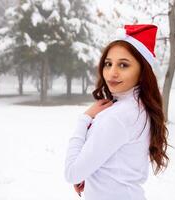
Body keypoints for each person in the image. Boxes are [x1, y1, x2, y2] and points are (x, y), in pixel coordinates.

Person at [64, 24, 169, 200]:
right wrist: (91, 176)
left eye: (123, 65)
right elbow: (118, 162)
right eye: (108, 64)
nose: (112, 73)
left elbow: (72, 172)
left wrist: (85, 118)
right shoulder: (138, 106)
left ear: (142, 70)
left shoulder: (118, 116)